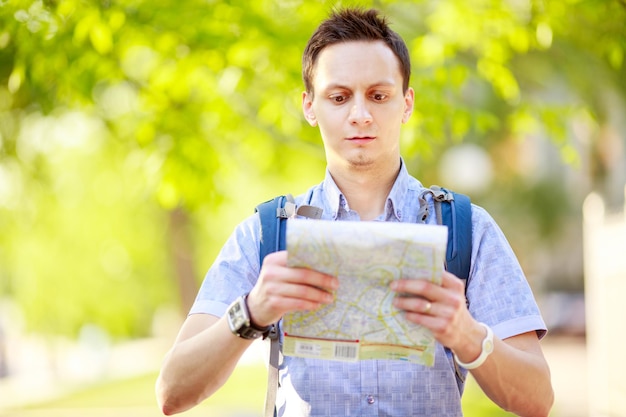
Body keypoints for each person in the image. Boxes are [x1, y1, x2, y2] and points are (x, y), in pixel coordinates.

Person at [156, 7, 554, 417]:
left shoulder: (466, 230)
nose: (360, 114)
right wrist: (252, 311)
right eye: (339, 97)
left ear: (407, 103)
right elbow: (171, 392)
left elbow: (538, 399)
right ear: (310, 106)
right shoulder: (266, 235)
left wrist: (468, 335)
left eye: (378, 96)